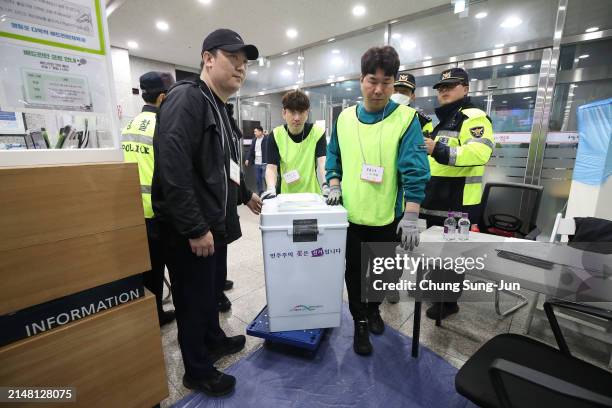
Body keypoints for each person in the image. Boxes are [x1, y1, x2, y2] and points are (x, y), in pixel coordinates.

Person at [152, 28, 262, 396]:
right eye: (234, 60)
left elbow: (228, 163)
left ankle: (212, 339)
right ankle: (197, 370)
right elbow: (173, 165)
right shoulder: (188, 98)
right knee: (192, 297)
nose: (241, 69)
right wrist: (195, 228)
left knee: (210, 291)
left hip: (214, 222)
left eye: (244, 64)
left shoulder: (219, 107)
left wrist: (246, 195)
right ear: (208, 58)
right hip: (190, 228)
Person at [326, 46, 430, 355]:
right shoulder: (344, 119)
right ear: (361, 80)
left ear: (395, 83)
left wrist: (411, 215)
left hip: (389, 215)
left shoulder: (406, 119)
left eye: (387, 82)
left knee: (384, 272)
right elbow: (335, 156)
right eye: (372, 80)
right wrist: (333, 182)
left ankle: (373, 309)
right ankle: (360, 321)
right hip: (351, 215)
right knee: (355, 271)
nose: (378, 89)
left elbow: (415, 169)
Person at [420, 68, 495, 321]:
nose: (444, 91)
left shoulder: (473, 117)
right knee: (438, 251)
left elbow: (479, 153)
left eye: (450, 86)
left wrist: (437, 149)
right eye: (441, 87)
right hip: (437, 199)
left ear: (466, 88)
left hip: (459, 201)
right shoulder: (441, 120)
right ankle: (438, 289)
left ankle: (449, 303)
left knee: (453, 255)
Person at [121, 71, 176, 327]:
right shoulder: (163, 127)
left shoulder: (129, 126)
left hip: (134, 211)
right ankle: (161, 316)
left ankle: (153, 313)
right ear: (163, 97)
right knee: (169, 269)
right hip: (158, 211)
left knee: (148, 271)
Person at [261, 90, 328, 199]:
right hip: (285, 196)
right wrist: (271, 188)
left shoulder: (317, 132)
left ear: (307, 113)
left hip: (312, 196)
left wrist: (326, 185)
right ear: (284, 113)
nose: (297, 118)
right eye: (292, 112)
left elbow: (322, 162)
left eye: (301, 112)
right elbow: (271, 167)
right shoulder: (276, 135)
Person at [245, 125, 268, 195]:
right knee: (258, 180)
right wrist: (247, 159)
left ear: (260, 132)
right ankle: (260, 193)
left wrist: (267, 134)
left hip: (264, 162)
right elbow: (251, 150)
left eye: (256, 131)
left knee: (265, 178)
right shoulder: (254, 140)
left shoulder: (266, 138)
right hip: (257, 163)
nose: (254, 133)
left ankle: (269, 192)